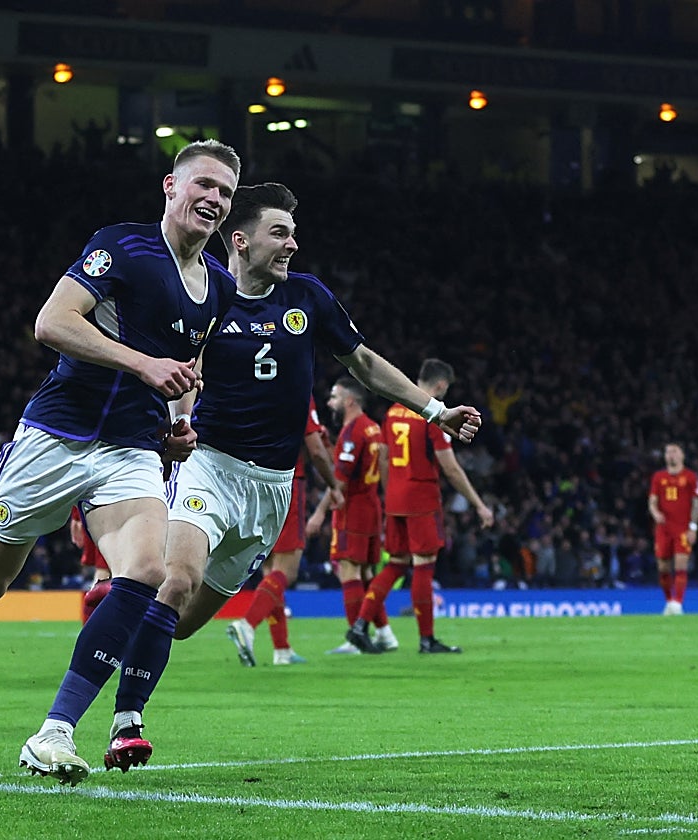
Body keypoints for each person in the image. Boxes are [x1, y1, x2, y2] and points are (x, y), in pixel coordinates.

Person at [0, 139, 244, 787]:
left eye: (225, 193)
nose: (215, 201)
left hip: (129, 449)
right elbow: (51, 322)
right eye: (204, 185)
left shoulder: (218, 285)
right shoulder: (123, 246)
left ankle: (54, 731)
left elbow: (188, 366)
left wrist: (178, 423)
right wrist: (143, 365)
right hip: (57, 434)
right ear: (171, 186)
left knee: (143, 572)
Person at [103, 183, 484, 773]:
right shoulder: (204, 294)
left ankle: (122, 609)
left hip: (273, 487)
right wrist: (173, 429)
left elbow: (364, 362)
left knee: (179, 625)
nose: (291, 244)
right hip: (210, 464)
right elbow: (175, 370)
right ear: (240, 240)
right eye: (278, 233)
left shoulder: (308, 297)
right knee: (176, 579)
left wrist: (434, 410)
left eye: (292, 233)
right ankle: (127, 721)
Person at [345, 358, 493, 655]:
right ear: (440, 385)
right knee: (424, 566)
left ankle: (360, 624)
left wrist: (390, 495)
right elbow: (450, 469)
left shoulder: (393, 412)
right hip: (422, 499)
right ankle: (427, 640)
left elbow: (384, 458)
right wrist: (479, 504)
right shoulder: (434, 415)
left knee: (396, 564)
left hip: (395, 500)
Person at [225, 395, 339, 666]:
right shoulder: (297, 388)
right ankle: (247, 625)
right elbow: (315, 448)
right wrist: (333, 485)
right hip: (287, 482)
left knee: (270, 569)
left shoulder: (252, 385)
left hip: (251, 482)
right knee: (287, 570)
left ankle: (282, 649)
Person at [307, 377, 399, 654]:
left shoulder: (353, 431)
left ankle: (354, 640)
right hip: (372, 507)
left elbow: (341, 481)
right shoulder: (373, 428)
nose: (329, 402)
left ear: (349, 401)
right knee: (367, 572)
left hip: (353, 509)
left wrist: (319, 514)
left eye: (334, 397)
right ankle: (385, 633)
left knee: (348, 570)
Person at [648, 442, 698, 615]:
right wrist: (655, 513)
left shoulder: (691, 477)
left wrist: (693, 527)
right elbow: (652, 501)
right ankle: (669, 601)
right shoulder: (658, 477)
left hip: (682, 529)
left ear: (682, 455)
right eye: (667, 452)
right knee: (663, 567)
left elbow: (696, 504)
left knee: (680, 565)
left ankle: (678, 602)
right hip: (663, 529)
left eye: (674, 451)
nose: (671, 455)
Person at [70, 506, 111, 622]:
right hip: (108, 512)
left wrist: (76, 515)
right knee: (105, 574)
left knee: (104, 574)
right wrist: (76, 515)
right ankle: (92, 631)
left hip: (94, 510)